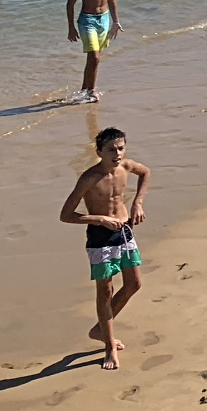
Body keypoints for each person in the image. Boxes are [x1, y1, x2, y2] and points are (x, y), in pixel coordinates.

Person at [59, 126, 150, 370]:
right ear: (99, 151)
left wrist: (138, 204)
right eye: (111, 149)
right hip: (100, 237)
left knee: (134, 284)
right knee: (105, 292)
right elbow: (65, 215)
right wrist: (99, 219)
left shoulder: (127, 167)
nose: (117, 153)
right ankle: (109, 346)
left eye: (121, 148)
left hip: (124, 230)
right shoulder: (89, 178)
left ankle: (100, 330)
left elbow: (146, 173)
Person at [66, 0, 120, 102]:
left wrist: (116, 21)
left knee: (94, 58)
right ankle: (92, 90)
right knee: (95, 57)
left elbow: (112, 0)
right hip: (87, 20)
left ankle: (85, 91)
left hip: (104, 18)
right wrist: (71, 27)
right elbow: (70, 3)